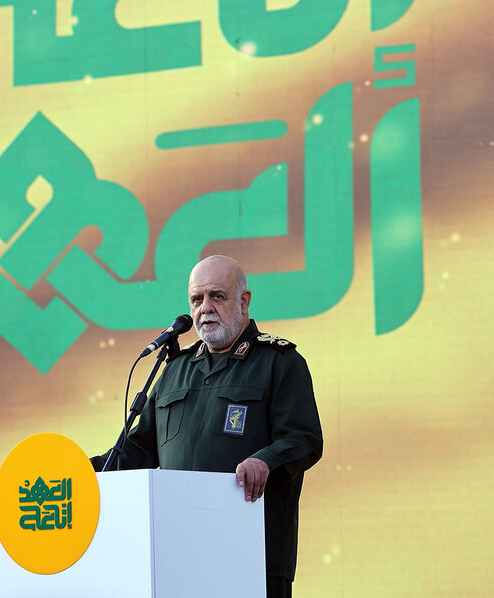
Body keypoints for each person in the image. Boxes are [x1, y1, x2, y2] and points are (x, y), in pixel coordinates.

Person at [91, 255, 323, 598]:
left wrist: (266, 461)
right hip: (179, 558)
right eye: (196, 299)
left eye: (217, 296)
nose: (205, 308)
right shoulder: (174, 369)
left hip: (252, 556)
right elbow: (137, 450)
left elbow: (303, 438)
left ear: (243, 301)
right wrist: (79, 472)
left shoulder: (279, 362)